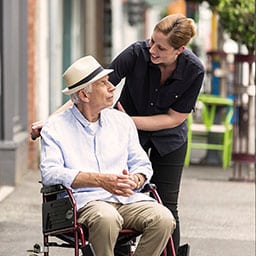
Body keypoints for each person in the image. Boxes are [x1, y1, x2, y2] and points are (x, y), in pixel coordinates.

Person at [31, 13, 205, 255]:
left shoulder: (193, 70)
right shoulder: (136, 53)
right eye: (152, 42)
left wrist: (136, 175)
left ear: (179, 50)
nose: (152, 49)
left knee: (167, 210)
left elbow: (174, 119)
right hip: (91, 199)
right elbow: (85, 88)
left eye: (160, 47)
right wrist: (50, 122)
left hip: (167, 135)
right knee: (107, 217)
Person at [40, 55, 176, 256]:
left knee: (163, 218)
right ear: (85, 96)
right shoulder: (56, 127)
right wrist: (100, 181)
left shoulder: (122, 121)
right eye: (103, 83)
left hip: (126, 200)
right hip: (85, 203)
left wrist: (136, 179)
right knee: (106, 218)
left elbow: (142, 163)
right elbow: (50, 173)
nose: (112, 87)